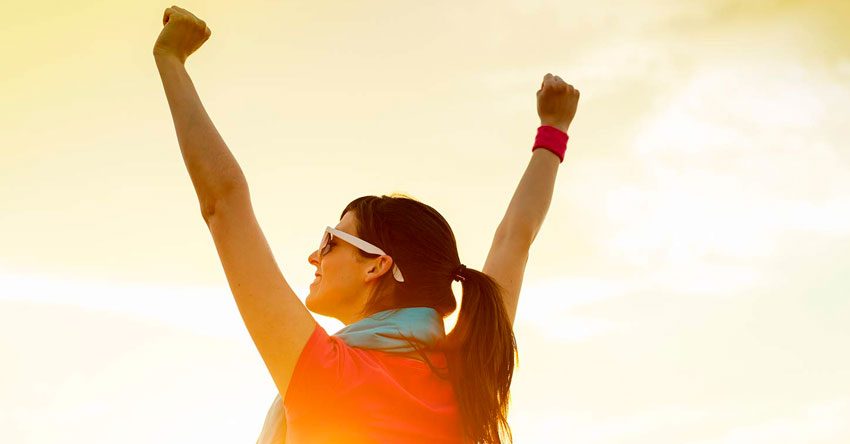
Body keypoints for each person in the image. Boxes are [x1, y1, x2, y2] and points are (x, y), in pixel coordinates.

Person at [153, 6, 579, 444]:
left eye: (331, 240)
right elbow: (515, 240)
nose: (314, 256)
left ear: (377, 265)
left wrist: (171, 62)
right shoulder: (471, 376)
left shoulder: (329, 375)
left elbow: (224, 205)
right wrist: (554, 129)